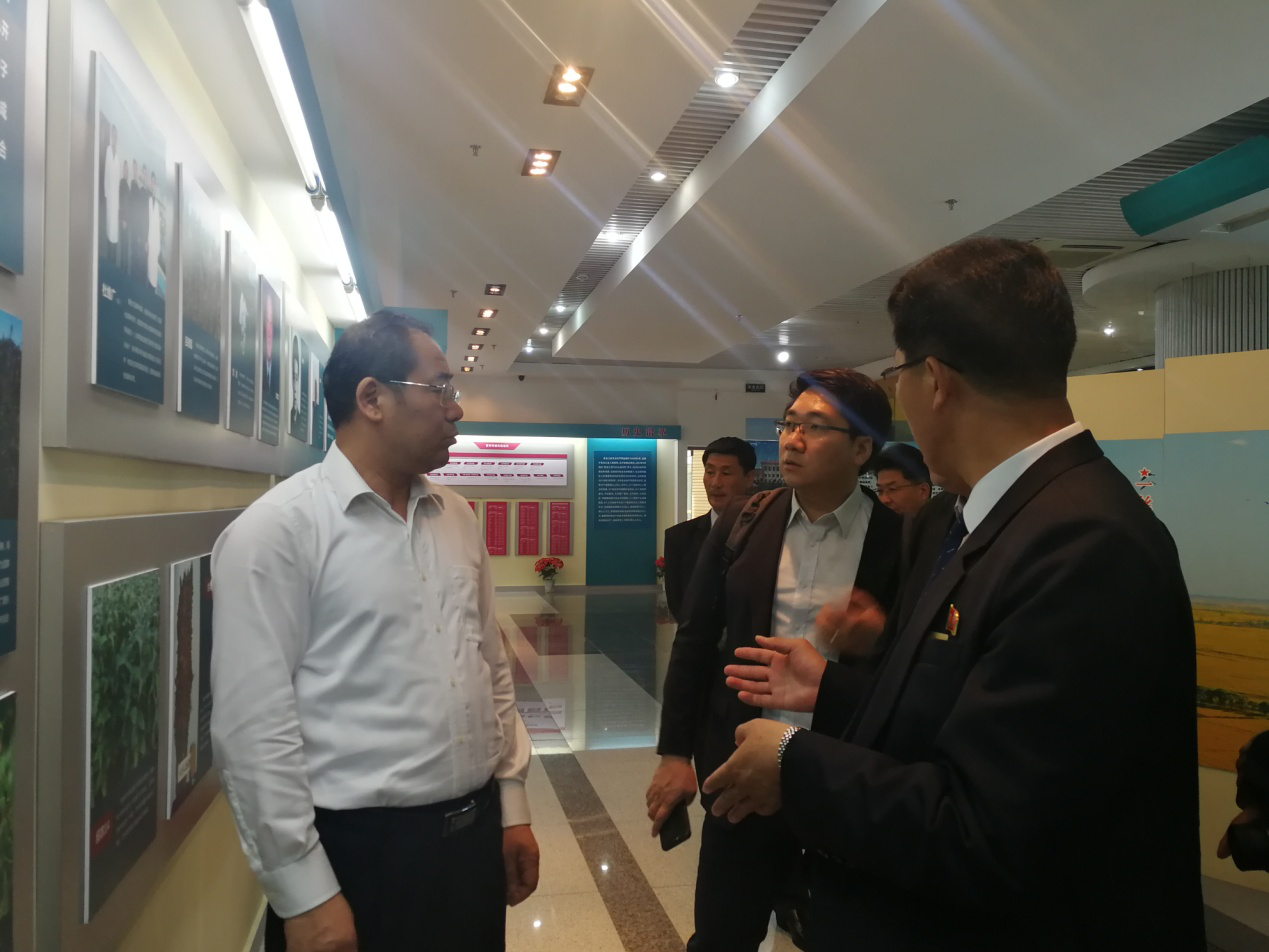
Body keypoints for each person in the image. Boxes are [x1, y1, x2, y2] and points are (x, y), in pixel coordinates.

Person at [706, 237, 1204, 950]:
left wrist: (794, 762)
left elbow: (986, 830)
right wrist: (831, 690)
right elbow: (959, 718)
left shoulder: (1084, 544)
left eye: (898, 373)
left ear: (934, 380)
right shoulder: (983, 518)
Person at [211, 309, 539, 952]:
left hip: (473, 846)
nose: (456, 409)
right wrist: (304, 893)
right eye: (439, 388)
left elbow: (489, 668)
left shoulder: (457, 516)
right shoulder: (277, 532)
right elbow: (252, 729)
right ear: (372, 399)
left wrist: (512, 806)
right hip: (359, 859)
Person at [647, 368, 903, 952]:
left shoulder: (898, 539)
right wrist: (674, 754)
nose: (792, 440)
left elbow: (910, 665)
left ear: (861, 448)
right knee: (723, 932)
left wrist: (874, 639)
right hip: (743, 763)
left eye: (816, 427)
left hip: (840, 770)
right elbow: (695, 641)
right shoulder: (744, 523)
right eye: (789, 424)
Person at [663, 436, 757, 619]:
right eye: (710, 472)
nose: (715, 483)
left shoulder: (767, 532)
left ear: (749, 478)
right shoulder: (679, 537)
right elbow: (679, 606)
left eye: (726, 473)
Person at [871, 442, 932, 516]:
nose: (884, 500)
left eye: (892, 489)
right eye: (880, 491)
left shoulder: (942, 522)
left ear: (923, 491)